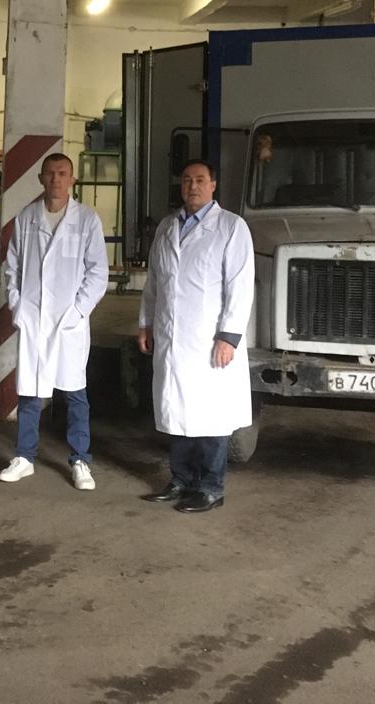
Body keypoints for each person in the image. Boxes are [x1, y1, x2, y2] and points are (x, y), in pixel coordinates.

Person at [137, 159, 254, 514]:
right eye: (187, 180)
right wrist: (146, 324)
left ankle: (210, 487)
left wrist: (228, 337)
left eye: (200, 180)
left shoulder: (231, 227)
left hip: (209, 341)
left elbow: (240, 286)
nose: (193, 186)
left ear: (213, 185)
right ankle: (181, 479)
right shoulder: (167, 226)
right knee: (176, 411)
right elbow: (154, 282)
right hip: (171, 336)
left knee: (210, 415)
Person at [0, 153, 109, 490]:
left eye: (62, 173)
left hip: (68, 322)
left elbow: (98, 272)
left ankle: (80, 460)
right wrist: (18, 306)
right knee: (29, 391)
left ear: (72, 179)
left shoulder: (86, 219)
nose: (56, 179)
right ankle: (24, 457)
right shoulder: (27, 218)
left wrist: (77, 311)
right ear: (41, 179)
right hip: (34, 317)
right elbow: (12, 267)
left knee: (74, 393)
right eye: (50, 173)